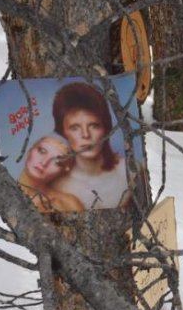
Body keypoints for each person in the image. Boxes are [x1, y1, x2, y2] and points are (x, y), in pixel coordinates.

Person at [51, 82, 130, 210]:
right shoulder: (58, 187)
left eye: (94, 126)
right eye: (75, 128)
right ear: (63, 133)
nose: (86, 135)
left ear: (106, 128)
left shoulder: (129, 171)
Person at [18, 134, 85, 213]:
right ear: (29, 151)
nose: (44, 162)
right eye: (42, 151)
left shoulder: (67, 204)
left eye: (57, 162)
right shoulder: (5, 193)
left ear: (63, 170)